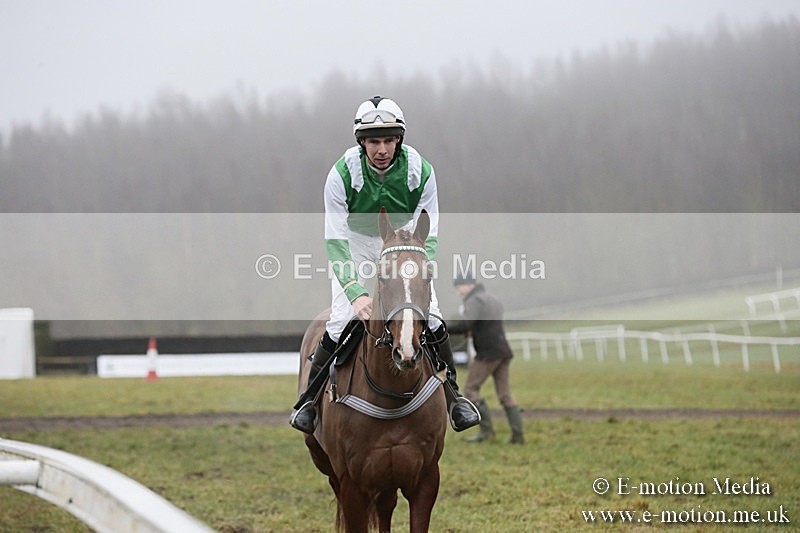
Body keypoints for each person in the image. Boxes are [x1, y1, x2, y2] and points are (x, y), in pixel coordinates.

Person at [290, 96, 480, 434]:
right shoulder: (341, 174)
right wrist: (355, 291)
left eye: (389, 140)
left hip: (406, 244)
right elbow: (334, 239)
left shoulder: (421, 170)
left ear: (399, 140)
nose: (382, 149)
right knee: (340, 321)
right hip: (356, 246)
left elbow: (430, 232)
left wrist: (421, 270)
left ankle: (455, 398)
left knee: (432, 317)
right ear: (362, 143)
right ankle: (308, 401)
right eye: (374, 141)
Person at [448, 272, 525, 444]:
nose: (459, 291)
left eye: (459, 287)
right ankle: (518, 435)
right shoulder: (492, 298)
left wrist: (442, 327)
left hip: (487, 353)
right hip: (503, 350)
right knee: (505, 395)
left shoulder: (474, 301)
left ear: (468, 285)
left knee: (470, 389)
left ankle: (486, 432)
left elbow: (465, 324)